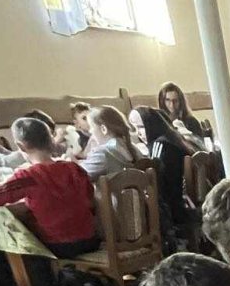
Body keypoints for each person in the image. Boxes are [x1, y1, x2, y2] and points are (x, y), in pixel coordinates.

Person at [0, 117, 99, 257]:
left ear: (21, 146)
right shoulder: (73, 168)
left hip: (58, 246)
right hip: (90, 239)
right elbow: (90, 198)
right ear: (50, 140)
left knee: (18, 239)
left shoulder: (27, 176)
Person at [137, 105, 196, 247]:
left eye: (140, 127)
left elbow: (156, 183)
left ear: (151, 125)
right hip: (187, 203)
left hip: (175, 209)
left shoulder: (160, 144)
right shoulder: (174, 139)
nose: (137, 133)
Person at [81, 106, 144, 180]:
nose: (90, 131)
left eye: (91, 127)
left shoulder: (102, 153)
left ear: (104, 129)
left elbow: (76, 176)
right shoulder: (134, 149)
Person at [159, 83, 213, 147]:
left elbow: (200, 145)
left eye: (175, 100)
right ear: (162, 101)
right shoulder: (160, 122)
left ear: (180, 101)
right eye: (168, 100)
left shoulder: (190, 121)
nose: (172, 104)